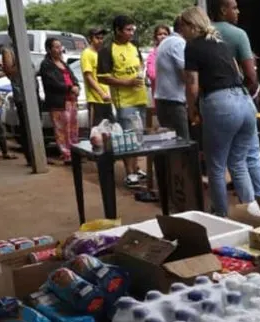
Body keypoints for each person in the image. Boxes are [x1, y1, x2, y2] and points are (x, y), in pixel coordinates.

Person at [181, 6, 260, 217]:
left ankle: (220, 215)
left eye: (182, 26)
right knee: (239, 161)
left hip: (220, 103)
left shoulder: (192, 47)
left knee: (216, 167)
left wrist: (191, 109)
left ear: (192, 25)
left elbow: (192, 84)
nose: (180, 31)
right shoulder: (221, 44)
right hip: (245, 102)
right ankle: (251, 212)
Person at [208, 0, 260, 207]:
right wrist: (247, 93)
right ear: (223, 10)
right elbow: (251, 74)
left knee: (218, 163)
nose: (238, 11)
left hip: (215, 105)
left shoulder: (202, 36)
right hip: (242, 101)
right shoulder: (238, 34)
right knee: (249, 156)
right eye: (234, 7)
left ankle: (221, 212)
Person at [98, 15, 149, 192]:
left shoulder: (133, 46)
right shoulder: (107, 49)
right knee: (128, 137)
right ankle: (129, 173)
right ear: (118, 30)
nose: (131, 33)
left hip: (140, 97)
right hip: (124, 101)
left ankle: (136, 167)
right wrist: (126, 83)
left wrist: (142, 74)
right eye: (127, 30)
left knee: (138, 136)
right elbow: (102, 77)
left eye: (132, 29)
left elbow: (140, 65)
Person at [39, 38, 80, 164]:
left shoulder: (63, 63)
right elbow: (53, 83)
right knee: (62, 129)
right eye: (56, 47)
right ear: (49, 49)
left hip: (71, 100)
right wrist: (69, 88)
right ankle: (66, 153)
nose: (59, 49)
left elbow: (72, 77)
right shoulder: (46, 65)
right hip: (58, 102)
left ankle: (75, 151)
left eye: (60, 46)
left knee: (73, 127)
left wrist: (77, 86)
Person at [154, 18, 190, 140]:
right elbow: (186, 74)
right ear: (184, 27)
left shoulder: (166, 42)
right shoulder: (178, 43)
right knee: (183, 143)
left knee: (168, 144)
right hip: (174, 102)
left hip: (163, 100)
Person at [1, 41, 31, 166]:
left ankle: (37, 154)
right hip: (21, 94)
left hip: (32, 92)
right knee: (25, 126)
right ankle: (30, 157)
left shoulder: (23, 46)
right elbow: (9, 71)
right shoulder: (8, 50)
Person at [81, 27, 113, 128]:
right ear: (90, 39)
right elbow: (88, 77)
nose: (100, 40)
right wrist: (101, 93)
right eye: (97, 38)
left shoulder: (102, 53)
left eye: (101, 38)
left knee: (110, 128)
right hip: (96, 99)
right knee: (97, 130)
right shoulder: (87, 54)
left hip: (107, 98)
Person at [146, 24, 171, 97]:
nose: (163, 36)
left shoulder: (174, 51)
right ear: (155, 37)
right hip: (160, 96)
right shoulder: (153, 55)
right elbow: (152, 75)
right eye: (160, 34)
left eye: (165, 34)